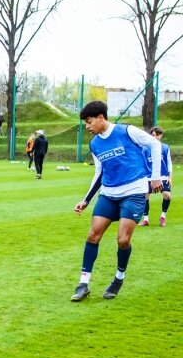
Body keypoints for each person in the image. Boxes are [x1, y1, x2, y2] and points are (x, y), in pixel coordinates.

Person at [71, 100, 162, 302]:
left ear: (101, 117)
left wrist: (155, 177)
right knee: (93, 235)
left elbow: (155, 144)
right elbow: (99, 173)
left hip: (134, 192)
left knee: (123, 240)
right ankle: (83, 284)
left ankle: (119, 278)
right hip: (109, 194)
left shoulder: (127, 131)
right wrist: (86, 200)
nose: (87, 127)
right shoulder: (94, 144)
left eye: (89, 122)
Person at [139, 126, 173, 227]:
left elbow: (169, 162)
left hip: (163, 177)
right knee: (145, 196)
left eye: (157, 135)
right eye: (153, 135)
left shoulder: (165, 148)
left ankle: (163, 217)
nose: (155, 137)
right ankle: (146, 219)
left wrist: (170, 177)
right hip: (149, 177)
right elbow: (142, 163)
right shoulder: (145, 149)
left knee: (167, 195)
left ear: (161, 136)